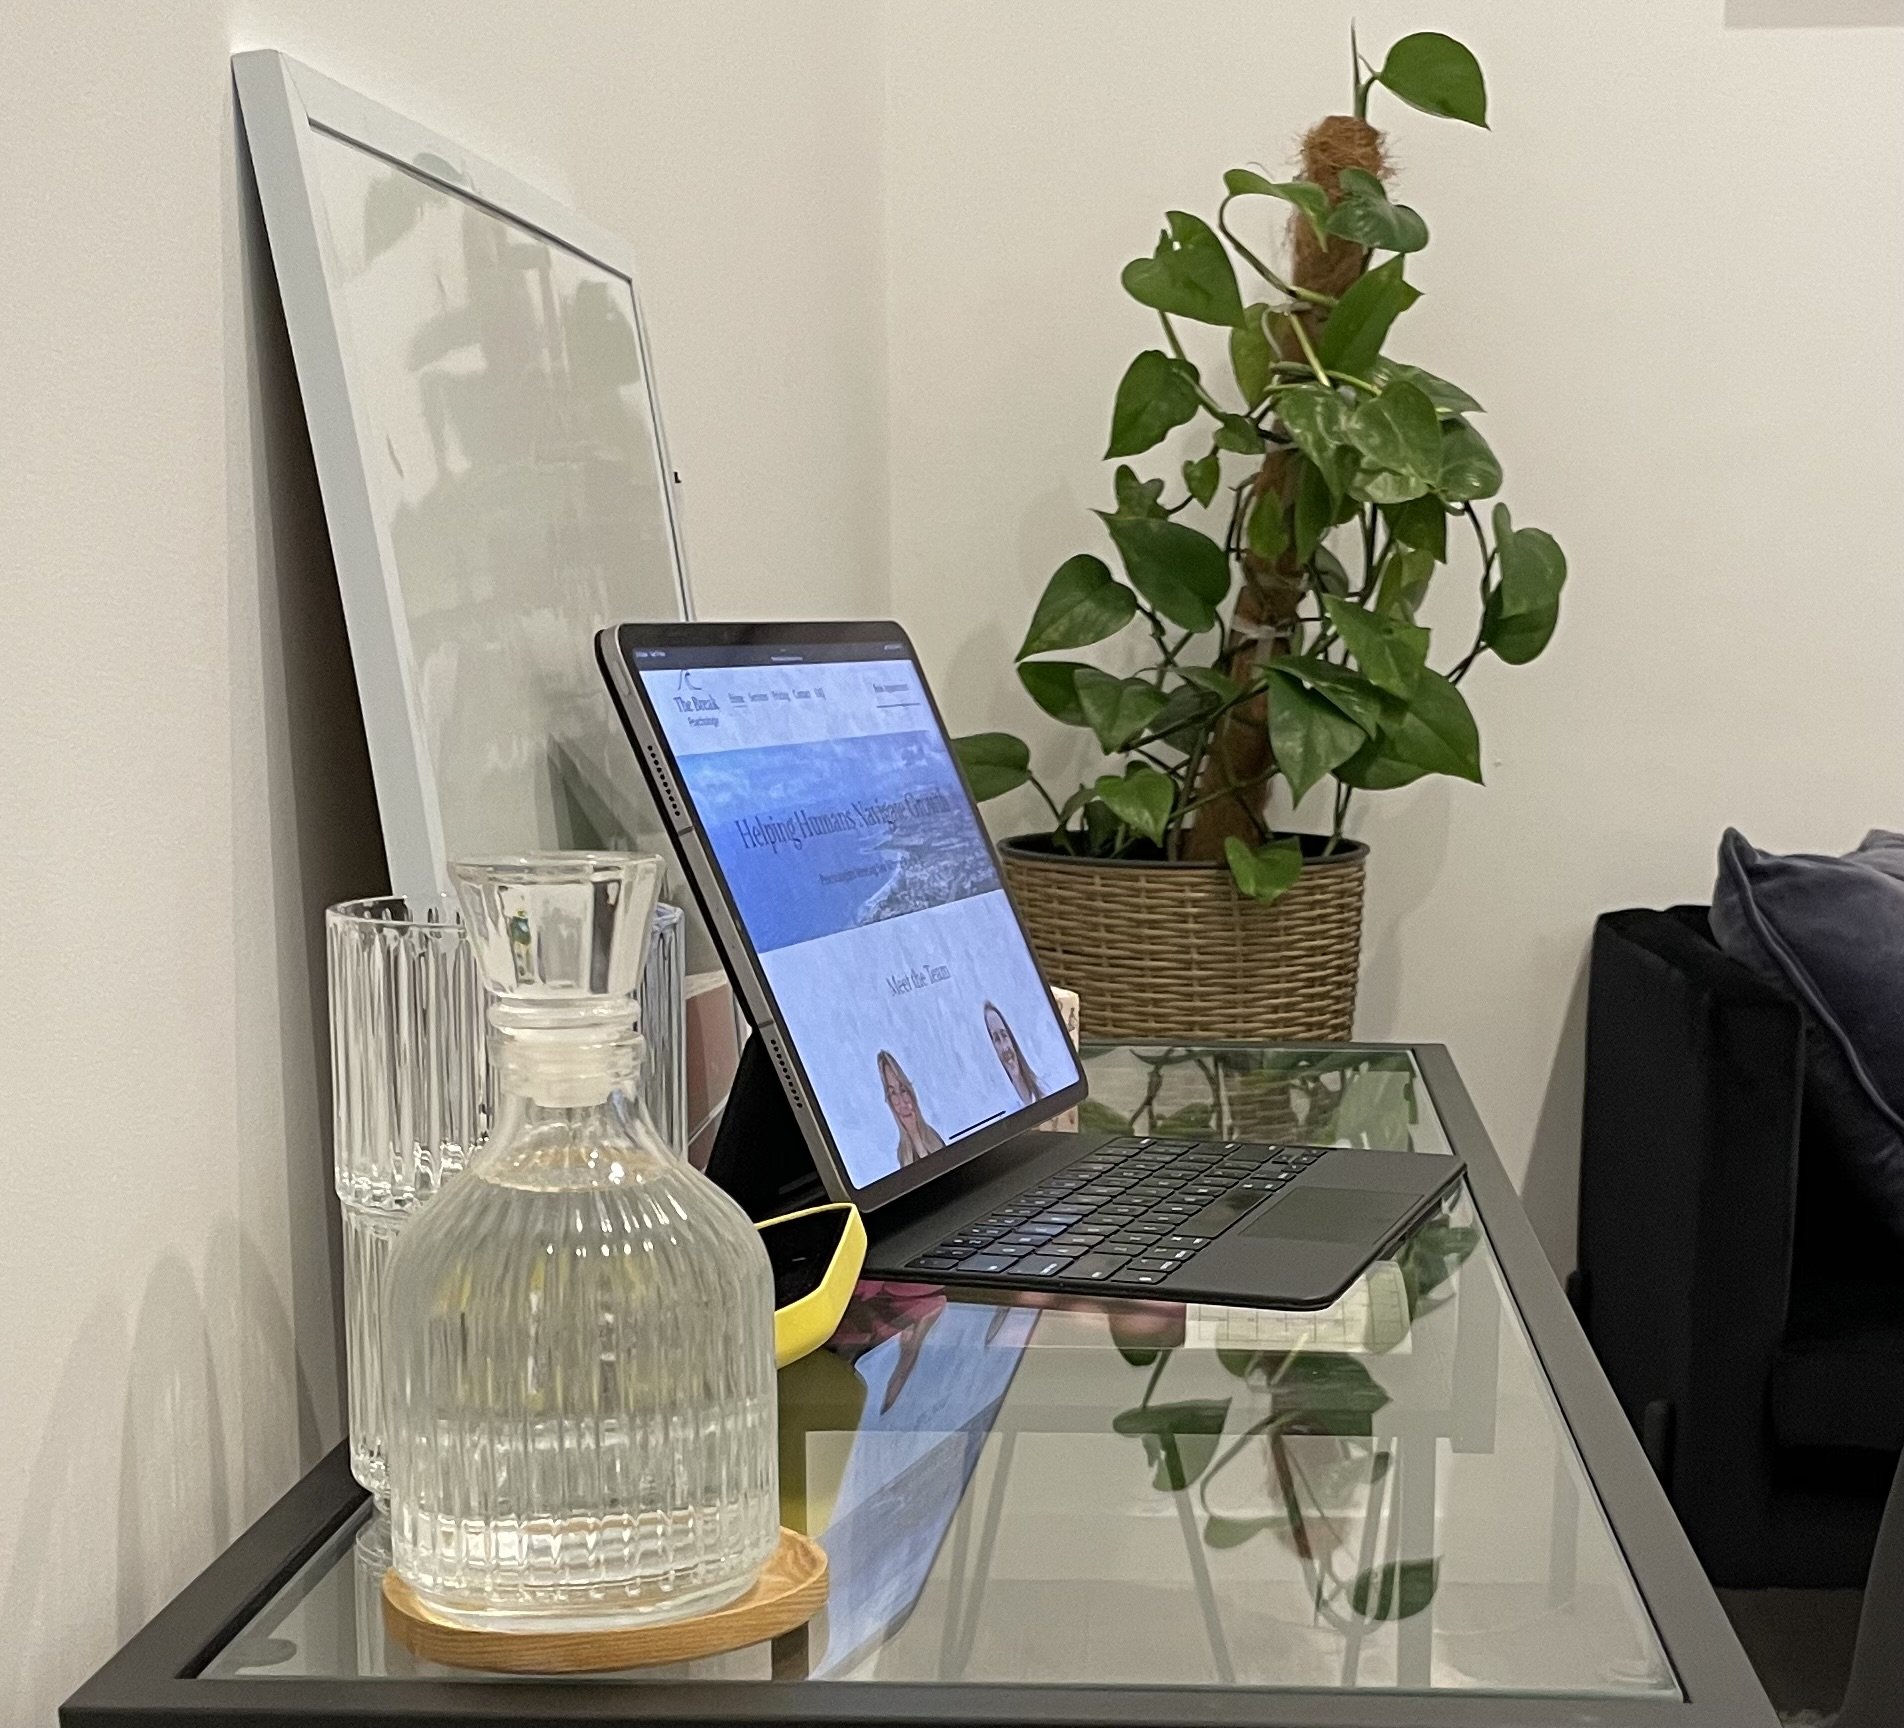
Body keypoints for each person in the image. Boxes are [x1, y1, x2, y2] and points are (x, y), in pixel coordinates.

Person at [878, 1049, 945, 1167]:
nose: (902, 1102)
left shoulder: (934, 1138)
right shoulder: (902, 1155)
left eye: (903, 1090)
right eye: (893, 1093)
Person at [983, 1000, 1044, 1106]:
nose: (1005, 1047)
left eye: (1004, 1035)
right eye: (996, 1039)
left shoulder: (1040, 1087)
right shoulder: (1002, 1105)